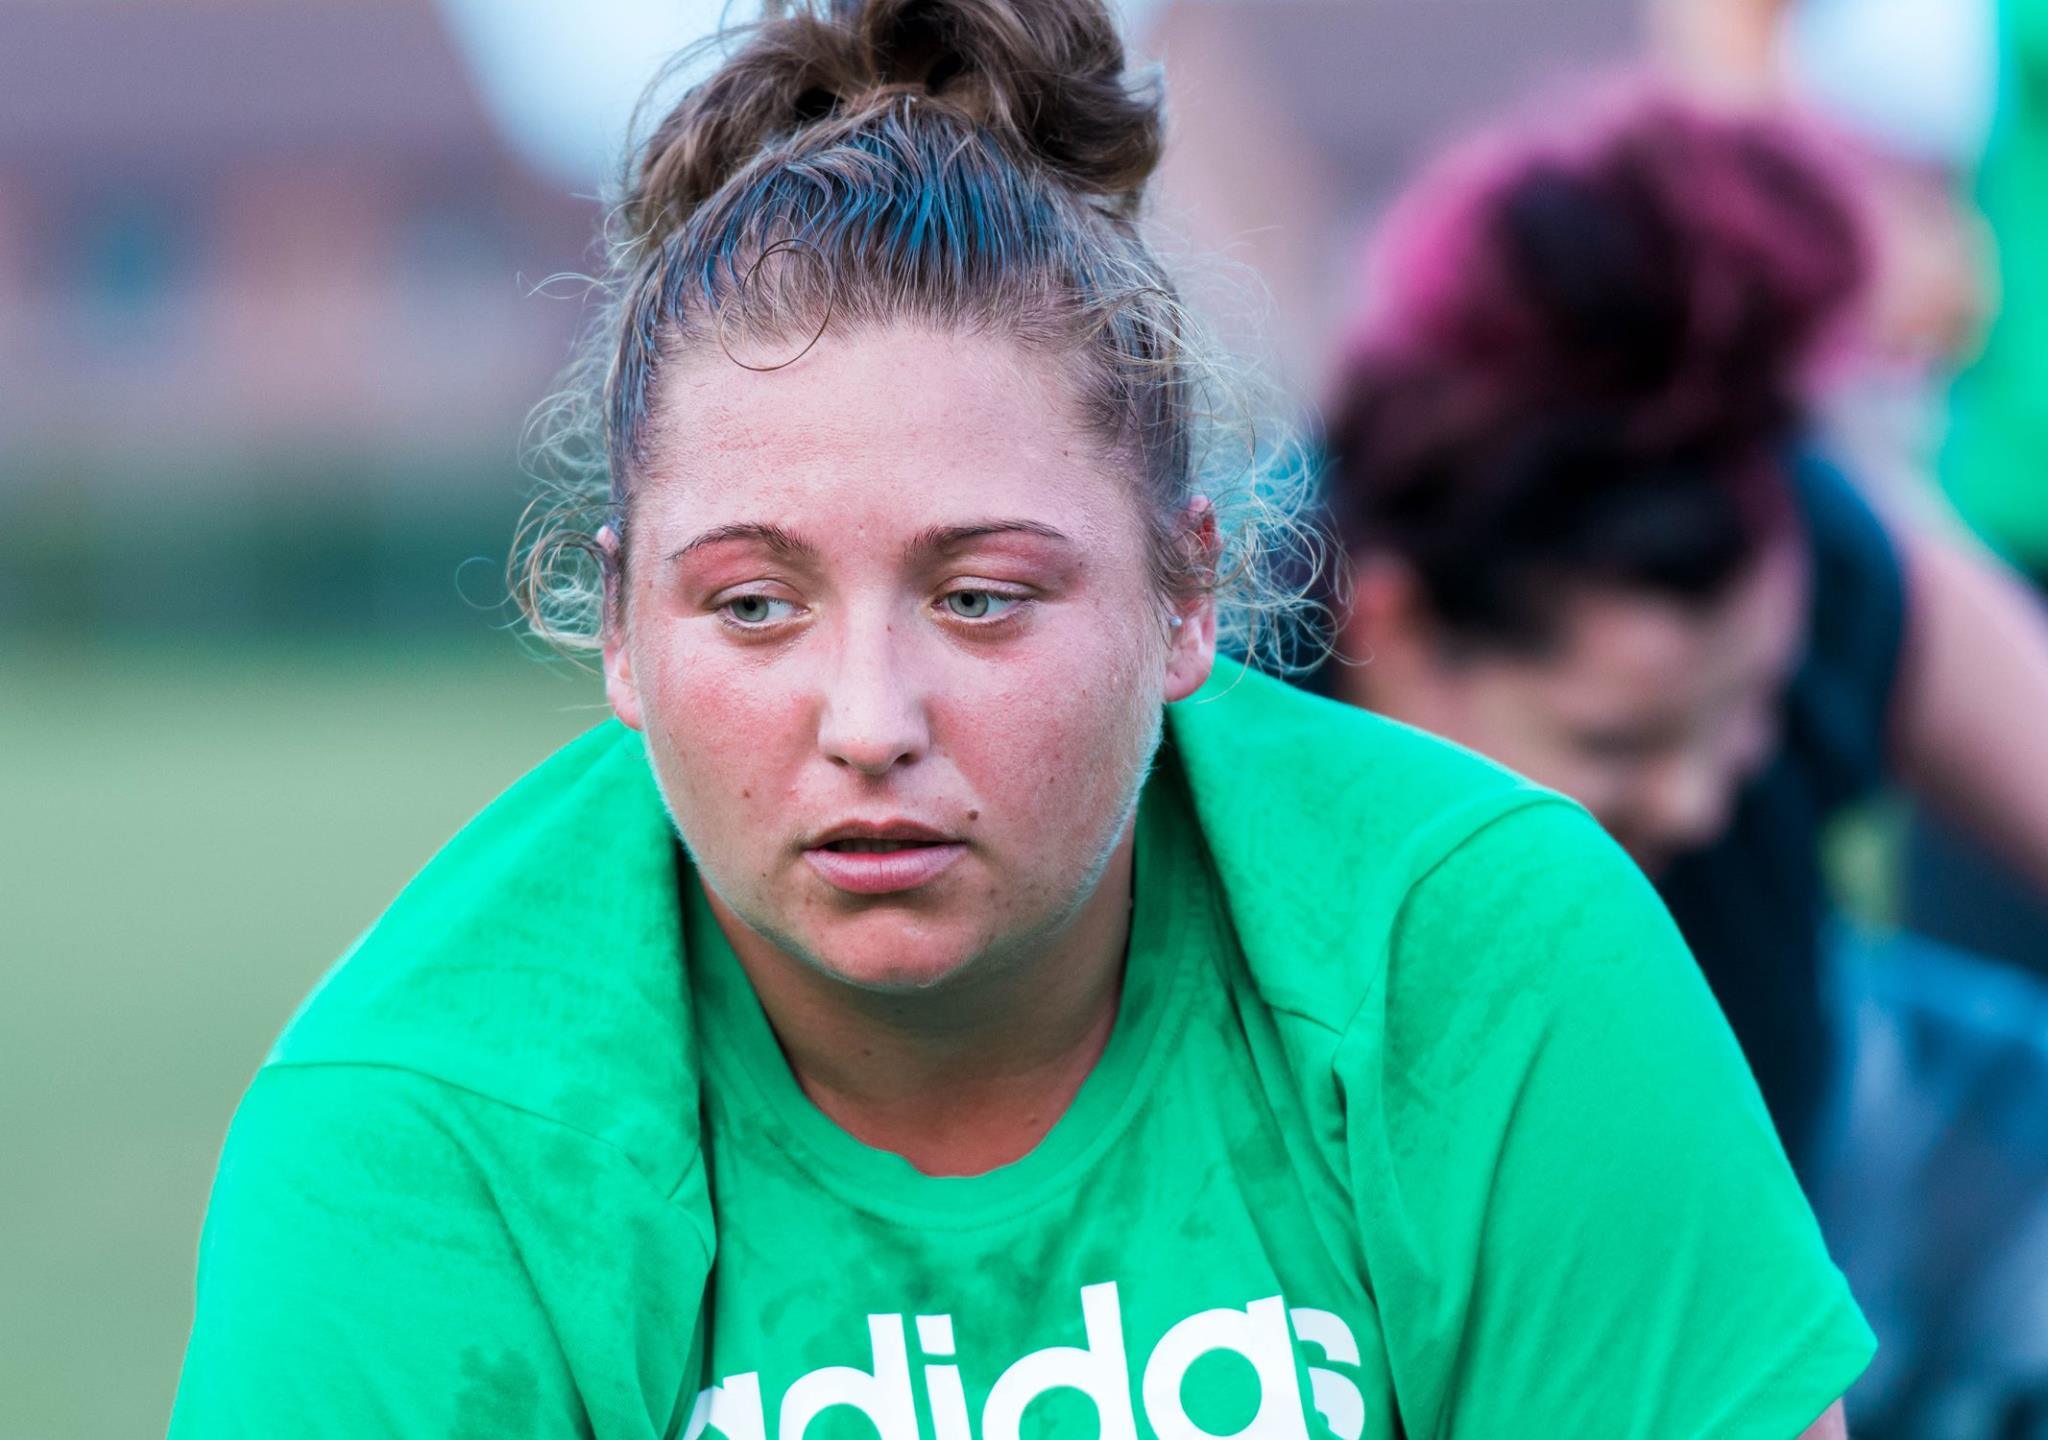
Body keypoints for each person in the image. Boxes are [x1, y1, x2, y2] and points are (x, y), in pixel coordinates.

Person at [170, 6, 1868, 1436]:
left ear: (1189, 595)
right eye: (752, 605)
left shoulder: (1482, 949)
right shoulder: (417, 1124)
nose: (867, 721)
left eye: (982, 597)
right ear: (619, 630)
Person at [1319, 87, 2048, 1439]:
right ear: (1399, 635)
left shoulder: (1811, 545)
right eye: (1620, 744)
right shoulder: (1227, 716)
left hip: (1859, 1191)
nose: (1704, 800)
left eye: (1752, 714)